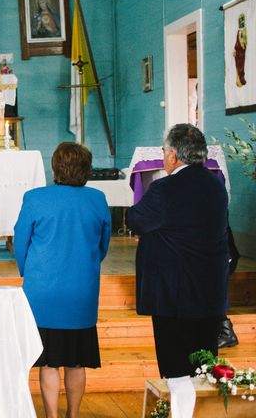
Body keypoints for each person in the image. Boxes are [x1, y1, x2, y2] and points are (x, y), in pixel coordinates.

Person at [127, 124, 228, 415]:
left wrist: (150, 231)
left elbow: (136, 219)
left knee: (176, 371)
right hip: (209, 293)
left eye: (163, 150)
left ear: (172, 155)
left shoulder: (165, 188)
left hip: (174, 296)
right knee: (204, 367)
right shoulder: (215, 186)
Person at [14, 142, 110, 418]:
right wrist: (86, 265)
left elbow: (21, 243)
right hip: (81, 288)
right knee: (76, 361)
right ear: (86, 168)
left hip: (43, 289)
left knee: (49, 362)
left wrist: (29, 273)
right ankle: (73, 415)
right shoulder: (97, 198)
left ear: (55, 166)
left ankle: (53, 416)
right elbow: (103, 244)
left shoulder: (35, 198)